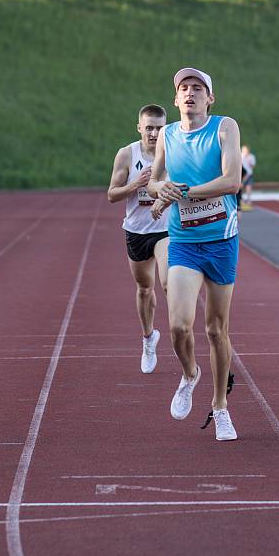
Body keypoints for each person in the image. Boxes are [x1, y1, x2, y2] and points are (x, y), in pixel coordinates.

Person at [148, 67, 242, 442]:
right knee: (178, 326)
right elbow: (155, 180)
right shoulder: (167, 136)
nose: (190, 93)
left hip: (221, 241)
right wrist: (162, 190)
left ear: (209, 98)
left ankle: (220, 407)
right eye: (183, 88)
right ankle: (190, 374)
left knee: (216, 329)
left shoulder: (224, 128)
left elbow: (232, 181)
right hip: (184, 242)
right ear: (175, 99)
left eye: (198, 88)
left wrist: (183, 193)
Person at [107, 104, 170, 374]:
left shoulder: (174, 153)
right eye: (150, 128)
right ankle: (148, 338)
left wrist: (164, 199)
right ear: (139, 128)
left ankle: (181, 337)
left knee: (169, 284)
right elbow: (112, 194)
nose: (154, 133)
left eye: (159, 128)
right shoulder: (126, 154)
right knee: (145, 289)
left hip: (166, 229)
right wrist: (136, 184)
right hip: (136, 231)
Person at [241, 144, 257, 209]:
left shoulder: (251, 156)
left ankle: (248, 201)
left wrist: (249, 164)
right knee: (240, 187)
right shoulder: (240, 156)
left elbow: (253, 165)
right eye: (244, 150)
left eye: (246, 150)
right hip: (242, 175)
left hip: (249, 174)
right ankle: (241, 201)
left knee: (248, 187)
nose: (245, 151)